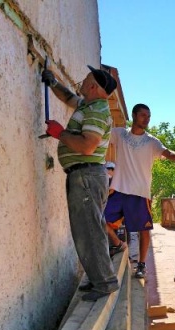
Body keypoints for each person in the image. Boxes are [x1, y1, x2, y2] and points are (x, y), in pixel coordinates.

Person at [41, 65, 120, 302]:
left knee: (89, 231)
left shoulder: (96, 111)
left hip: (86, 176)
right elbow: (69, 97)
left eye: (84, 80)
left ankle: (105, 283)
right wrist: (53, 83)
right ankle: (99, 279)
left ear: (94, 86)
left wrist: (59, 133)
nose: (80, 83)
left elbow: (87, 146)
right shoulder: (89, 105)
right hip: (85, 176)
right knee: (86, 230)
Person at [104, 103, 175, 279]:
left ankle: (141, 265)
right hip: (119, 189)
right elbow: (102, 131)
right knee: (101, 220)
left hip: (140, 192)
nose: (147, 119)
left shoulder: (152, 142)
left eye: (149, 116)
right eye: (143, 115)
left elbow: (167, 153)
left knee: (143, 230)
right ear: (134, 115)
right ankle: (118, 244)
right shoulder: (120, 134)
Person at [104, 161, 127, 257]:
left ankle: (118, 244)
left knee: (99, 221)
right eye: (107, 169)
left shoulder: (117, 186)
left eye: (110, 170)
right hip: (110, 217)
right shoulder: (109, 184)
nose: (108, 172)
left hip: (113, 218)